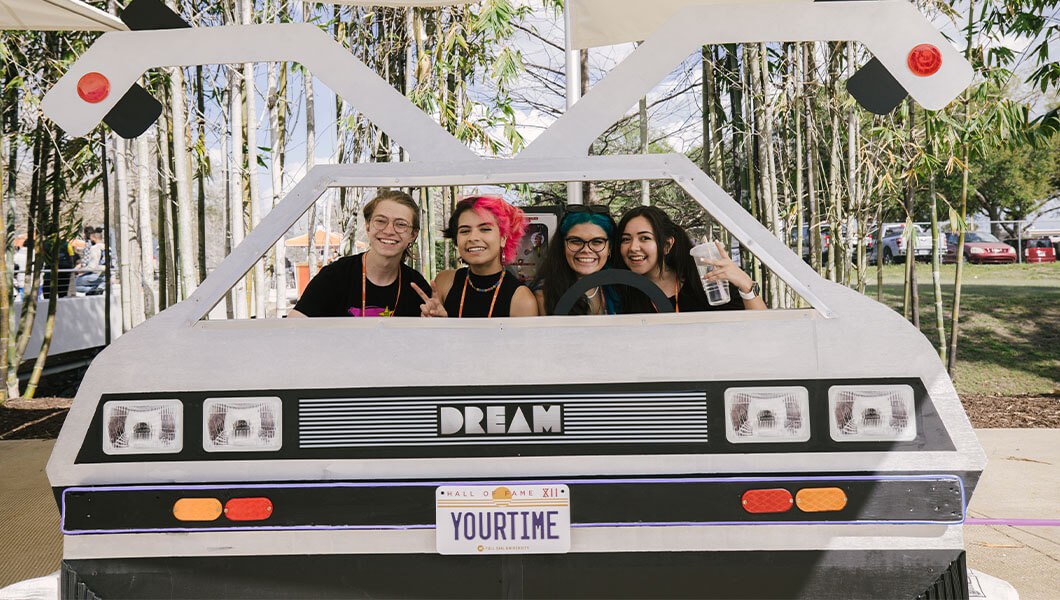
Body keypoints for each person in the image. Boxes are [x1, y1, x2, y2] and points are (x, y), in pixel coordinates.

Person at [289, 190, 430, 318]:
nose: (389, 230)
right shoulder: (336, 275)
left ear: (413, 235)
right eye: (380, 221)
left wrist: (437, 322)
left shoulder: (416, 287)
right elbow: (294, 323)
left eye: (401, 224)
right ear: (368, 226)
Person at [616, 206, 766, 312]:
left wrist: (745, 283)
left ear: (667, 245)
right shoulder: (618, 289)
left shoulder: (704, 281)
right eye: (626, 239)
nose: (633, 247)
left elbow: (762, 330)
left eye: (644, 238)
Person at [414, 196, 538, 318]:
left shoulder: (522, 299)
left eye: (485, 229)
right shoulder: (444, 282)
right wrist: (437, 324)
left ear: (503, 238)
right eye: (464, 231)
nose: (473, 238)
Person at [532, 205, 621, 315]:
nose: (586, 250)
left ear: (609, 248)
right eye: (576, 241)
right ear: (562, 246)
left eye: (597, 242)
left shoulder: (619, 288)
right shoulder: (543, 295)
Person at [75, 228, 106, 295]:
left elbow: (92, 266)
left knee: (74, 284)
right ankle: (97, 289)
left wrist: (81, 270)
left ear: (93, 238)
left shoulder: (94, 248)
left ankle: (94, 290)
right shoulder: (108, 247)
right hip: (106, 275)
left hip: (96, 274)